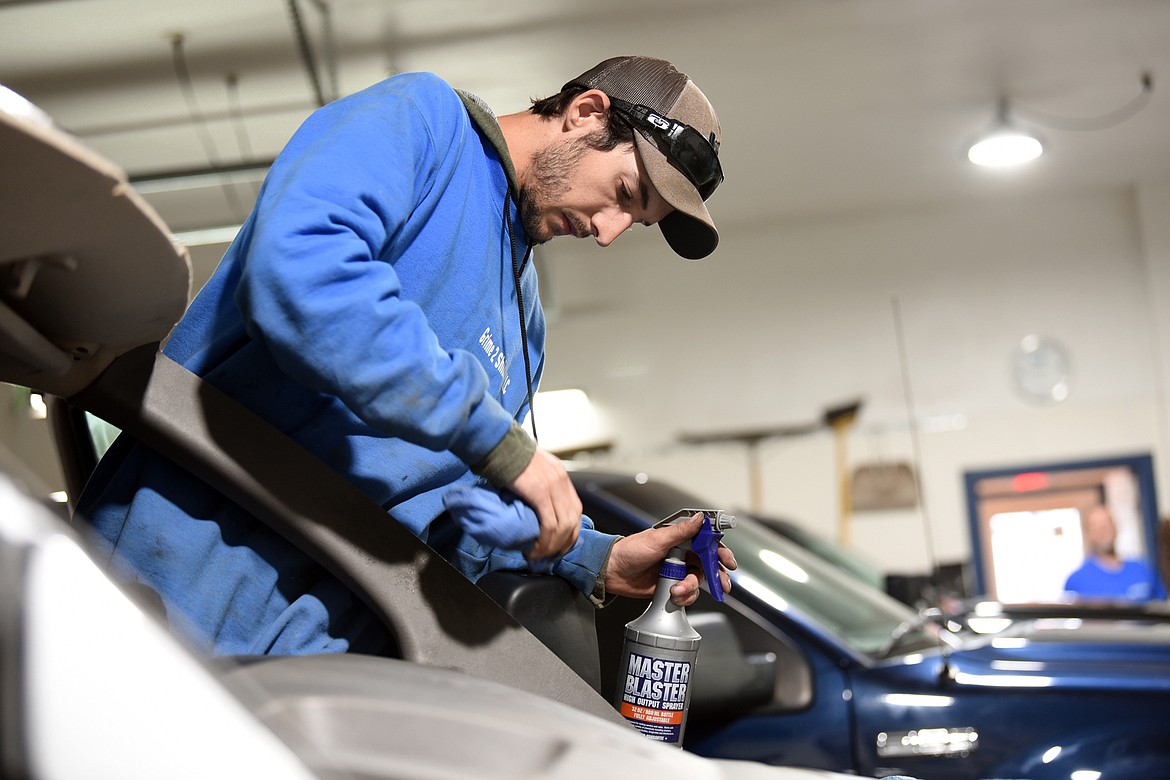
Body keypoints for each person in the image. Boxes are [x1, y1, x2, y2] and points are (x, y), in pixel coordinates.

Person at [77, 55, 734, 655]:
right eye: (623, 193)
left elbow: (460, 518)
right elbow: (302, 273)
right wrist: (494, 438)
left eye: (636, 220)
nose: (610, 233)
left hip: (314, 655)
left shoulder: (524, 323)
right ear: (585, 113)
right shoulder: (425, 123)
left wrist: (595, 557)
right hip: (173, 579)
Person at [1063, 504, 1165, 602]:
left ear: (1115, 527)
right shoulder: (1076, 581)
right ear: (1088, 534)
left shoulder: (1143, 569)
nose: (1103, 531)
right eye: (1097, 527)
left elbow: (1162, 607)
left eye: (1106, 525)